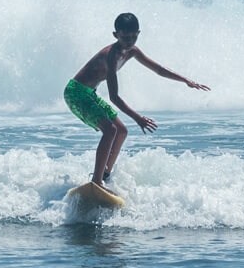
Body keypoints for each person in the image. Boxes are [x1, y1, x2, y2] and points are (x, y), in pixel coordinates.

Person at [64, 12, 210, 187]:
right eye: (125, 37)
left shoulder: (132, 51)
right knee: (110, 130)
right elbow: (114, 97)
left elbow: (159, 69)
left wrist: (186, 80)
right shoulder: (111, 56)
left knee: (122, 131)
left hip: (89, 94)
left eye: (134, 36)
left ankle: (105, 175)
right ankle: (96, 181)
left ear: (138, 33)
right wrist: (137, 118)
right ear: (116, 35)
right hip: (76, 93)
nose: (130, 41)